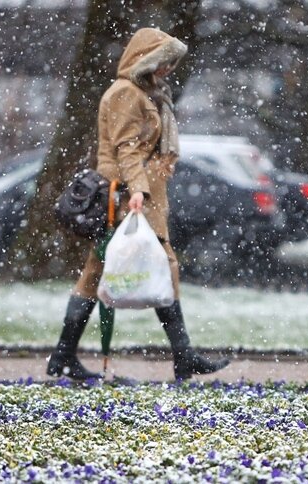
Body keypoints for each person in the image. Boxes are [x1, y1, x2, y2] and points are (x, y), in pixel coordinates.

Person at [46, 28, 230, 381]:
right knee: (152, 267)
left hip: (140, 195)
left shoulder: (149, 94)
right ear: (145, 60)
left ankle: (65, 356)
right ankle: (182, 355)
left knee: (99, 273)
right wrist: (138, 192)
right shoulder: (126, 94)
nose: (168, 70)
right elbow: (126, 148)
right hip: (126, 196)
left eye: (171, 63)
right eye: (163, 62)